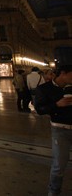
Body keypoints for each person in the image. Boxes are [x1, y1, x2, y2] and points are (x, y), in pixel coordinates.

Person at [34, 65, 72, 196]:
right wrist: (57, 105)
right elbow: (39, 110)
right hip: (60, 130)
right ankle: (54, 191)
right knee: (59, 164)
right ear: (63, 73)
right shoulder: (44, 89)